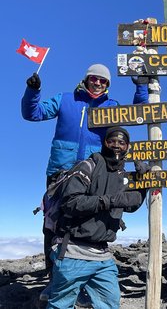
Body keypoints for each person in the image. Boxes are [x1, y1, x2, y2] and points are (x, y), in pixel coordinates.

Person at [21, 63, 148, 300]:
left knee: (90, 222)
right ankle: (55, 282)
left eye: (103, 81)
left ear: (107, 85)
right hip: (60, 173)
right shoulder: (65, 100)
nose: (97, 83)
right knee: (53, 224)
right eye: (94, 78)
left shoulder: (111, 108)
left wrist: (141, 86)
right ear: (86, 79)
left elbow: (138, 114)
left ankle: (86, 283)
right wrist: (33, 91)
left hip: (95, 173)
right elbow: (33, 113)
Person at [47, 126, 146, 309]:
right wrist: (108, 201)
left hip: (102, 256)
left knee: (110, 303)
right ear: (104, 143)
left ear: (128, 147)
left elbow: (131, 204)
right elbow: (70, 203)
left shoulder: (122, 175)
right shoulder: (89, 165)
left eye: (121, 142)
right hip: (73, 252)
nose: (116, 146)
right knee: (61, 305)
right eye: (111, 141)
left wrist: (143, 184)